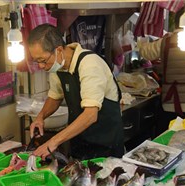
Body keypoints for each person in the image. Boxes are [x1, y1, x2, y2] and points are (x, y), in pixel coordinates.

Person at [27, 24, 124, 160]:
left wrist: (53, 142)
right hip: (80, 142)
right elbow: (55, 97)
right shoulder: (57, 66)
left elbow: (90, 115)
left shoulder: (90, 65)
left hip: (105, 144)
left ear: (59, 50)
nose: (41, 66)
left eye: (43, 60)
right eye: (37, 61)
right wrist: (40, 117)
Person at [138, 8, 185, 133]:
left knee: (168, 145)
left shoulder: (164, 41)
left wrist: (143, 38)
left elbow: (145, 53)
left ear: (175, 22)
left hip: (170, 104)